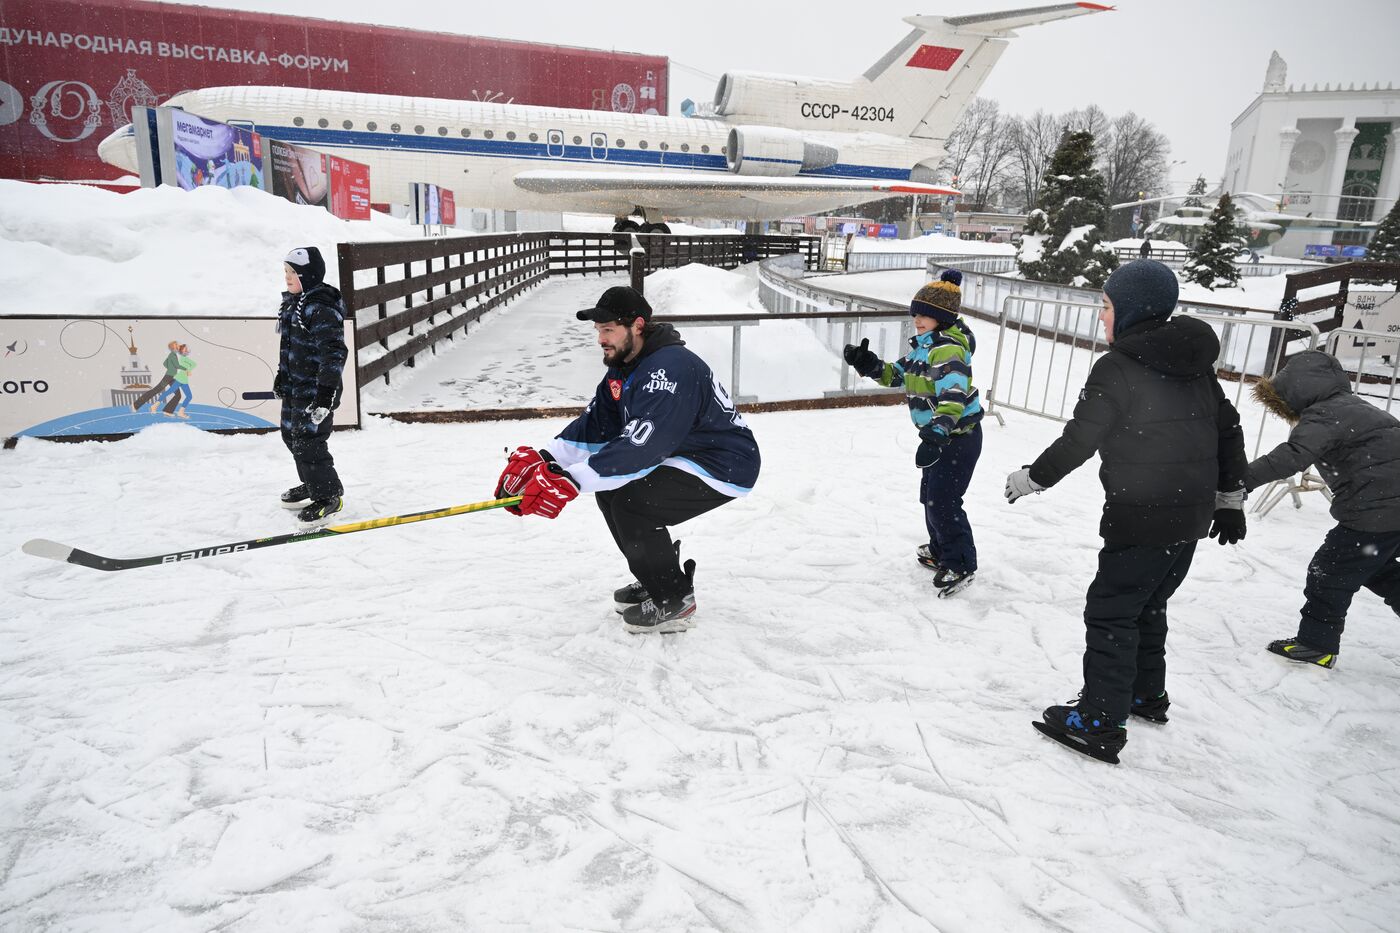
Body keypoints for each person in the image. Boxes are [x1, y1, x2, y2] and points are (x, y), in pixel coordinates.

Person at [1004, 259, 1248, 764]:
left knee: (1113, 611)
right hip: (1191, 514)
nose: (1102, 317)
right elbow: (1227, 430)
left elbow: (1080, 438)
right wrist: (1228, 501)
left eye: (1107, 306)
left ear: (1132, 311)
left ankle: (1099, 720)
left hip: (1142, 512)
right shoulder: (1194, 363)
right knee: (1147, 605)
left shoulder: (1119, 367)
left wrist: (1033, 477)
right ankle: (1143, 694)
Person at [494, 285, 760, 634]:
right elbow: (596, 426)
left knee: (633, 502)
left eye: (608, 330)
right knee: (611, 492)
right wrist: (546, 460)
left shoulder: (669, 369)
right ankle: (656, 579)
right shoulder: (625, 365)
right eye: (598, 330)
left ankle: (673, 598)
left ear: (636, 325)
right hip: (686, 452)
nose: (601, 339)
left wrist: (570, 480)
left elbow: (643, 449)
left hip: (724, 462)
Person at [1245, 350, 1400, 668]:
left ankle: (1317, 645)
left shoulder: (1324, 414)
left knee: (1329, 572)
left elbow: (1290, 456)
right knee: (1376, 566)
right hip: (1390, 508)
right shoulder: (1360, 408)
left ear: (1296, 389)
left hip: (1375, 509)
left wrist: (1238, 481)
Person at [842, 269, 983, 594]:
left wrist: (937, 434)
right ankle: (941, 549)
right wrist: (869, 364)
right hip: (938, 437)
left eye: (925, 315)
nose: (918, 319)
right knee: (931, 499)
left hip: (957, 437)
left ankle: (960, 563)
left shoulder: (947, 351)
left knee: (945, 501)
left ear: (942, 318)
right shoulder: (924, 347)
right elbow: (897, 375)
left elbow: (953, 398)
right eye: (916, 313)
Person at [275, 246, 349, 529]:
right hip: (295, 387)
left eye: (293, 272)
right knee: (291, 438)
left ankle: (329, 495)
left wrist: (325, 395)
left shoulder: (320, 308)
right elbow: (289, 347)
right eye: (285, 272)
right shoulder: (293, 304)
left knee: (309, 443)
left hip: (317, 390)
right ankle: (312, 484)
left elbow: (334, 354)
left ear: (308, 275)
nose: (287, 277)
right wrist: (282, 375)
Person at [132, 340, 181, 413]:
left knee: (178, 394)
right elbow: (177, 365)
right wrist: (185, 368)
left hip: (171, 377)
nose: (178, 345)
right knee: (156, 390)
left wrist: (171, 368)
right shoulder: (172, 355)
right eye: (177, 344)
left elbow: (165, 363)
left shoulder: (172, 355)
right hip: (168, 377)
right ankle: (136, 404)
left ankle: (168, 410)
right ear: (174, 347)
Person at [156, 344, 196, 418]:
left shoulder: (184, 358)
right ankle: (156, 405)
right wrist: (188, 370)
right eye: (185, 349)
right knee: (170, 392)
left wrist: (188, 370)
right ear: (181, 351)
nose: (186, 350)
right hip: (180, 379)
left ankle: (180, 412)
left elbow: (194, 364)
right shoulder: (182, 358)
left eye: (186, 349)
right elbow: (193, 364)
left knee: (188, 396)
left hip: (184, 380)